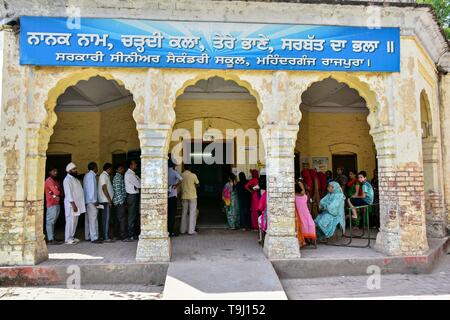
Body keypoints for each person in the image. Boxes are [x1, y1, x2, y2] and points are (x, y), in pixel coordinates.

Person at [63, 162, 86, 244]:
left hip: (77, 204)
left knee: (75, 222)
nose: (76, 170)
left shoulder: (75, 179)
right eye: (74, 169)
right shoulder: (67, 180)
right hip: (71, 205)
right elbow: (68, 193)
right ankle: (67, 239)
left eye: (76, 168)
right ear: (69, 170)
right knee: (70, 221)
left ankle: (72, 237)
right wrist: (73, 204)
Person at [83, 162, 101, 243]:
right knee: (93, 219)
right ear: (94, 167)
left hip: (87, 201)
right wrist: (94, 201)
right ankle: (94, 238)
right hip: (91, 201)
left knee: (88, 220)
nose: (97, 168)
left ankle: (88, 236)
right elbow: (91, 189)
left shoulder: (87, 175)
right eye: (97, 167)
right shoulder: (91, 176)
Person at [44, 167, 63, 245]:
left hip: (56, 203)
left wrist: (58, 192)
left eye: (56, 171)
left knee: (53, 221)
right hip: (51, 203)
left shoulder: (55, 181)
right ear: (49, 172)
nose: (55, 172)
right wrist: (57, 192)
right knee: (50, 221)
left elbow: (60, 191)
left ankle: (52, 237)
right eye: (53, 171)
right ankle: (50, 239)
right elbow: (56, 192)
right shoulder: (49, 181)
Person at [295, 179, 316, 247]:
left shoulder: (300, 194)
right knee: (305, 223)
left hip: (304, 212)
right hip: (300, 213)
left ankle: (308, 239)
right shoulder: (296, 196)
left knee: (309, 223)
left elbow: (302, 193)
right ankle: (306, 240)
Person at [180, 164, 200, 235]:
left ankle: (182, 230)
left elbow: (179, 184)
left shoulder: (181, 175)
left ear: (184, 168)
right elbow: (198, 184)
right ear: (190, 168)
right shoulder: (193, 175)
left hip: (184, 196)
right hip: (192, 196)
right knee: (192, 213)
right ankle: (191, 230)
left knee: (184, 213)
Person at [112, 164, 129, 241]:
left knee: (117, 219)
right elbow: (117, 191)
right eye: (120, 168)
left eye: (122, 168)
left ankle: (116, 235)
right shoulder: (118, 178)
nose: (122, 169)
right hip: (119, 202)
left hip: (118, 202)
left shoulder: (119, 177)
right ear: (117, 170)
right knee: (122, 219)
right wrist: (122, 202)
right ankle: (123, 236)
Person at [125, 160, 141, 241]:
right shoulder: (129, 174)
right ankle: (130, 234)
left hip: (134, 196)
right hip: (132, 196)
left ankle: (133, 233)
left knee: (134, 215)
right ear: (130, 165)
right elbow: (139, 184)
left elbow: (139, 183)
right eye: (135, 163)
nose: (136, 164)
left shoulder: (133, 174)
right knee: (131, 216)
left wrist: (137, 184)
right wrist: (137, 185)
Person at [98, 163, 114, 242]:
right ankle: (105, 237)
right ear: (108, 169)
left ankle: (103, 235)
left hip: (105, 200)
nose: (111, 171)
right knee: (106, 219)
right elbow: (104, 188)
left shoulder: (105, 176)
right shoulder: (103, 176)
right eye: (111, 169)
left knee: (104, 219)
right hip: (105, 201)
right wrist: (109, 200)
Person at [168, 158, 183, 237]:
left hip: (164, 196)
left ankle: (165, 231)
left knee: (166, 214)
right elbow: (181, 179)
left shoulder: (163, 171)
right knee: (172, 214)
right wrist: (176, 186)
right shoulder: (173, 172)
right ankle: (170, 232)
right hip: (172, 196)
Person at [257, 175, 267, 243]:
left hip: (267, 216)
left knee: (260, 219)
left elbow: (260, 208)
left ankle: (261, 238)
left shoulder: (264, 195)